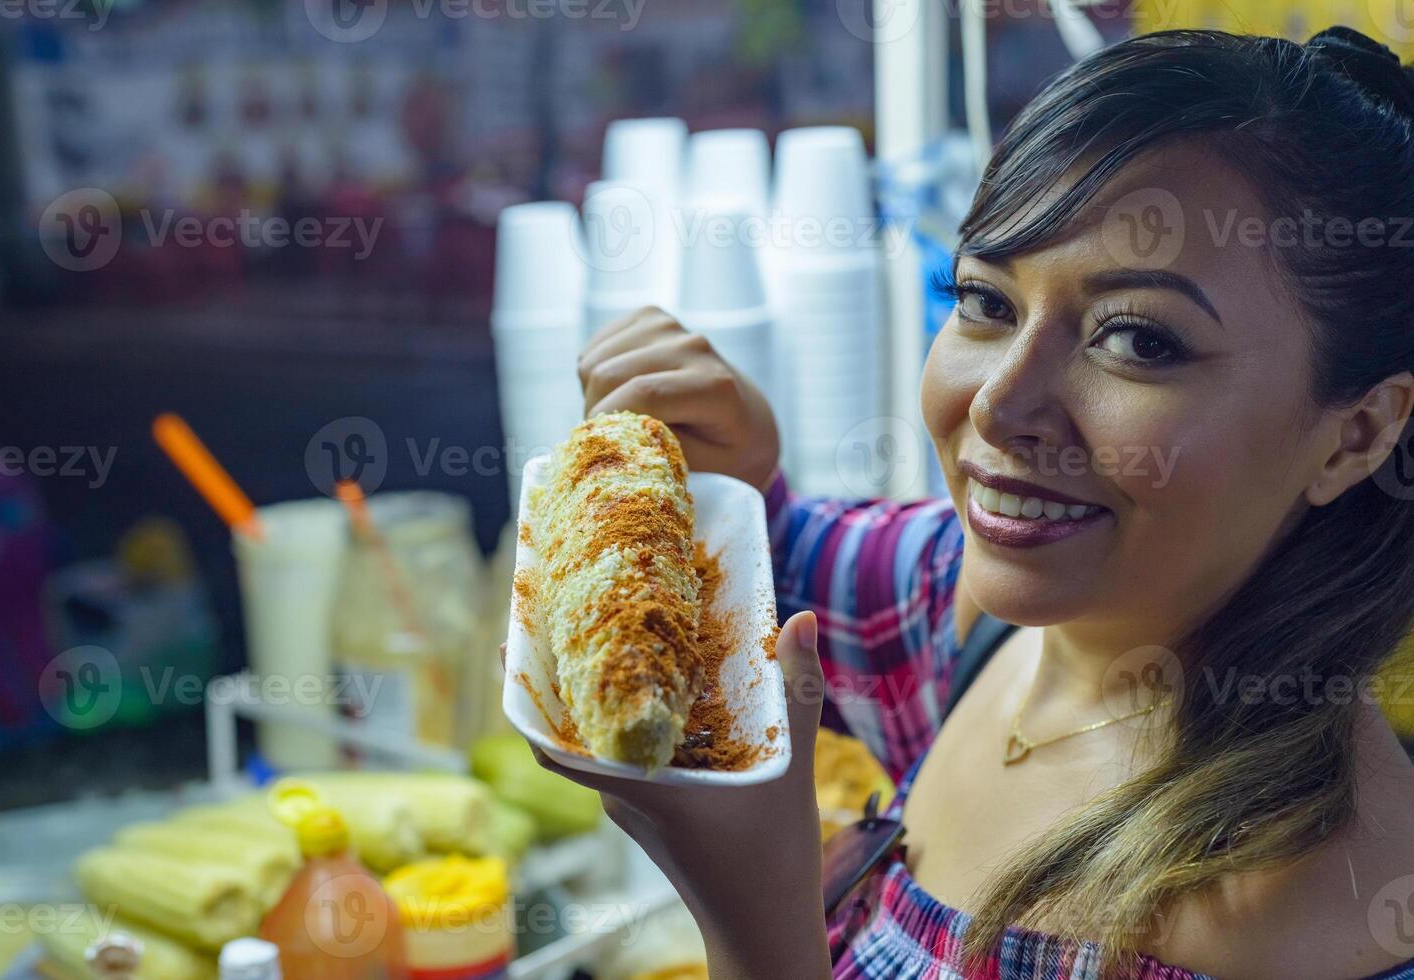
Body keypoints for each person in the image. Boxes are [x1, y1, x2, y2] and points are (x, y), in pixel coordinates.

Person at [527, 27, 1414, 978]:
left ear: (1356, 435)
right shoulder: (971, 612)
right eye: (986, 300)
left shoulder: (1321, 910)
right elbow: (768, 572)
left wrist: (755, 923)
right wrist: (739, 467)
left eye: (1139, 342)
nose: (998, 402)